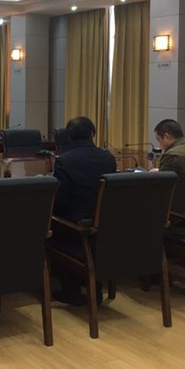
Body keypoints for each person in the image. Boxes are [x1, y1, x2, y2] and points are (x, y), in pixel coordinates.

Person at [51, 117, 117, 305]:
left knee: (49, 226)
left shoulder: (65, 160)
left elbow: (61, 199)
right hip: (104, 225)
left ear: (69, 137)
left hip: (75, 227)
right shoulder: (108, 158)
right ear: (93, 134)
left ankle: (70, 289)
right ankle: (95, 286)